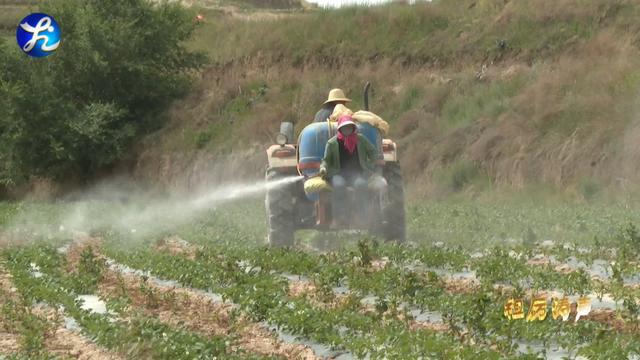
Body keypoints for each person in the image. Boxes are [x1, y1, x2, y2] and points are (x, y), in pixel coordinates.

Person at [319, 115, 380, 226]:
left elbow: (373, 152)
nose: (347, 130)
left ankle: (362, 217)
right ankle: (339, 218)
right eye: (344, 128)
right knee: (339, 186)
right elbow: (326, 160)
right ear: (340, 129)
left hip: (356, 173)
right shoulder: (332, 143)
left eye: (349, 127)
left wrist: (369, 165)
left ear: (353, 128)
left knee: (361, 185)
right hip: (338, 173)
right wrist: (323, 168)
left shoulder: (360, 139)